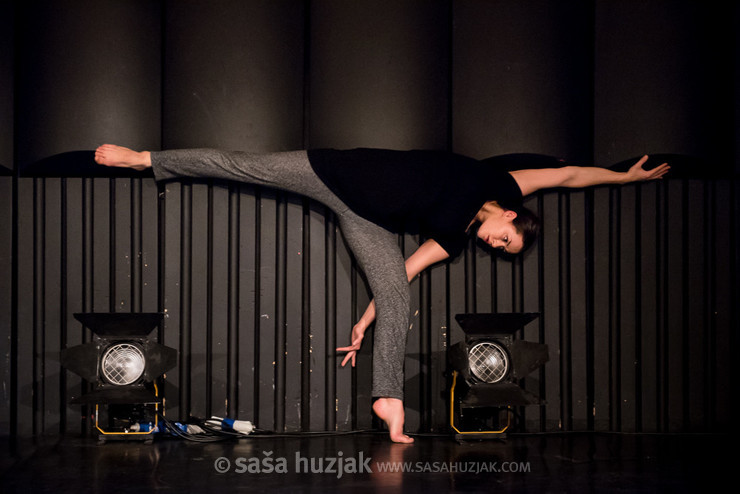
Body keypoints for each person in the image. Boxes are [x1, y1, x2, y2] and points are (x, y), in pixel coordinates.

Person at [94, 144, 669, 443]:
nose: (497, 245)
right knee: (242, 165)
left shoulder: (452, 238)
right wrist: (625, 177)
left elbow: (403, 275)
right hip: (334, 172)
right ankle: (148, 158)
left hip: (367, 222)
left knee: (399, 301)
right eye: (507, 241)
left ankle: (387, 405)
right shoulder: (505, 184)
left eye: (502, 251)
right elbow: (568, 176)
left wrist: (367, 320)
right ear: (515, 216)